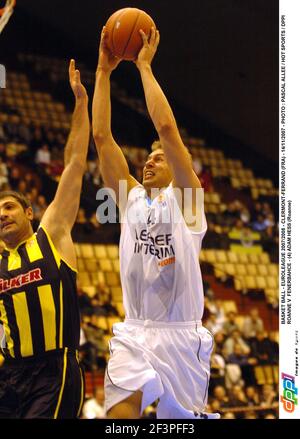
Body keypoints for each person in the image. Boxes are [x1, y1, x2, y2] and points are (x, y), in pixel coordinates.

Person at [92, 27, 219, 419]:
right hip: (134, 331)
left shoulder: (188, 201)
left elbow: (166, 129)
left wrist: (144, 67)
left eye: (159, 158)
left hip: (181, 336)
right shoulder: (129, 199)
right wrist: (102, 72)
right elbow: (101, 136)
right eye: (147, 157)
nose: (149, 161)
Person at [0, 60, 89, 418]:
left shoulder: (50, 235)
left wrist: (81, 103)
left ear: (29, 213)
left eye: (8, 207)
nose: (2, 214)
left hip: (54, 371)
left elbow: (75, 164)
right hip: (9, 375)